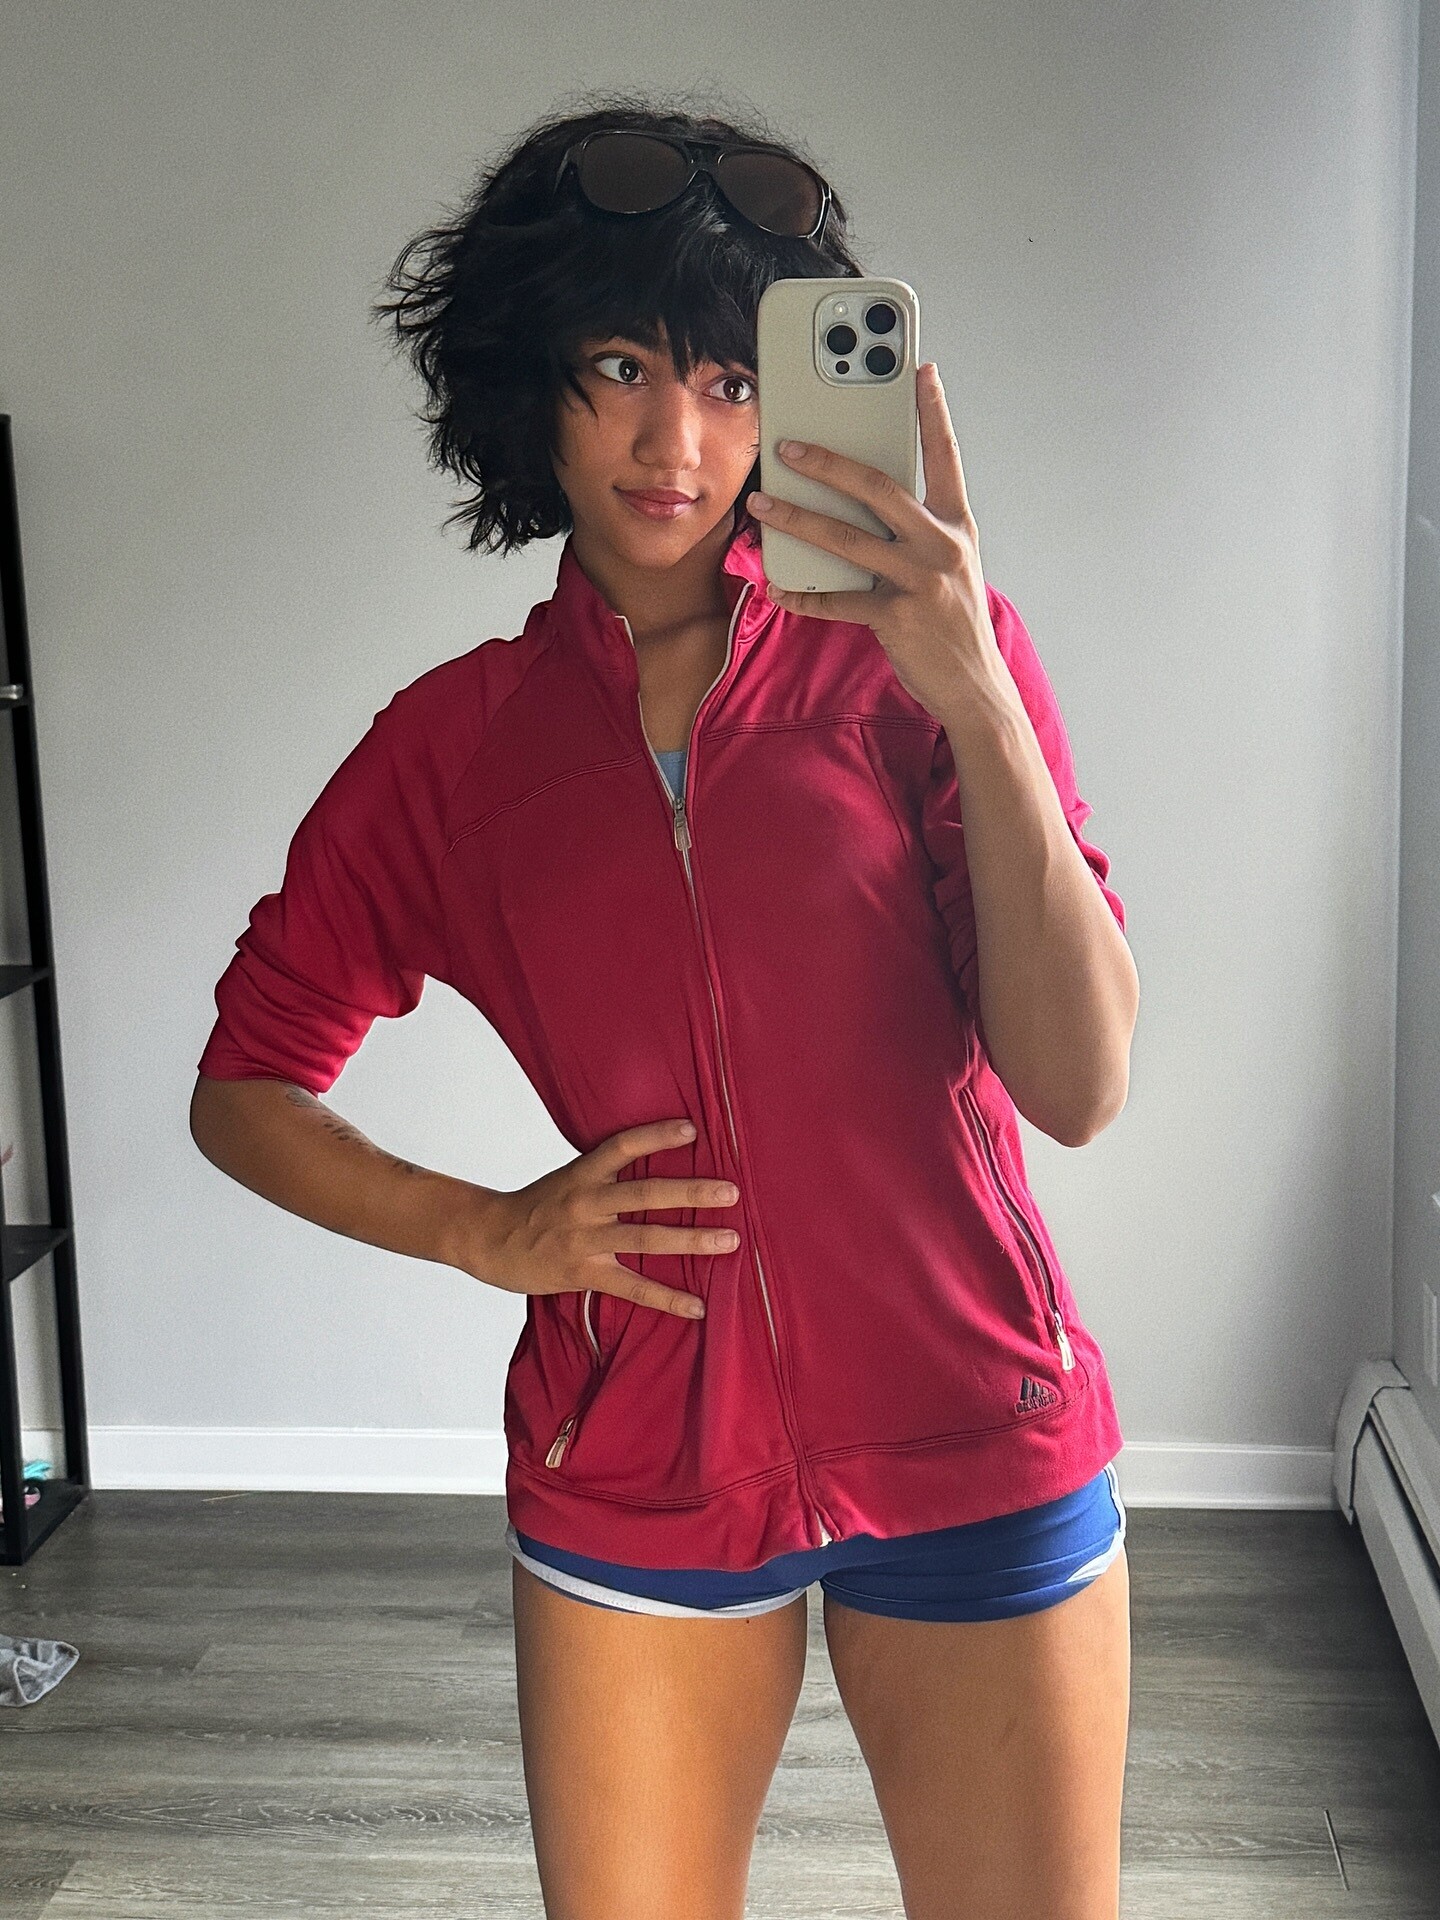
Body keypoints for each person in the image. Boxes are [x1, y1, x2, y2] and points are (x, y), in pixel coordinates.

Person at [190, 91, 1141, 1920]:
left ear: (790, 409)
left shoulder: (920, 670)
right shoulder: (456, 750)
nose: (673, 440)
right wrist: (484, 1228)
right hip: (636, 1461)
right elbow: (247, 1086)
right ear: (529, 386)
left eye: (726, 381)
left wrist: (975, 696)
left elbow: (1082, 1083)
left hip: (976, 1422)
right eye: (619, 368)